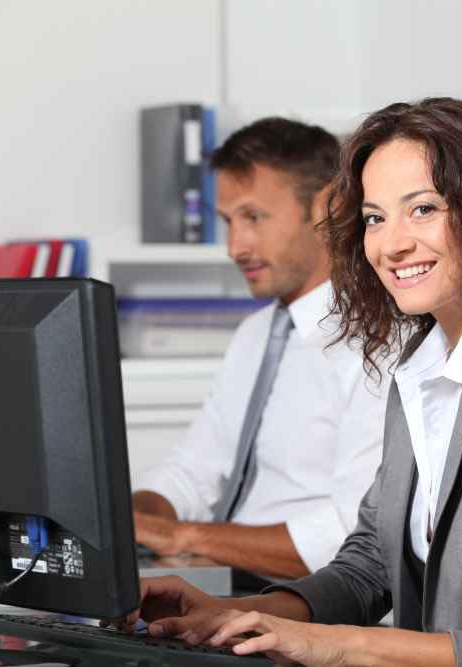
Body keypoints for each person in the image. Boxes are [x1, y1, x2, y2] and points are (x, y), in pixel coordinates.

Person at [119, 99, 462, 666]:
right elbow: (369, 565)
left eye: (422, 209)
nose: (392, 244)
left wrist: (332, 645)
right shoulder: (421, 368)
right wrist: (237, 614)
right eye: (375, 218)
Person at [131, 118, 387, 582]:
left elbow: (354, 531)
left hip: (306, 596)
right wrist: (131, 522)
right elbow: (194, 470)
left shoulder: (376, 341)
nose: (235, 247)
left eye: (253, 217)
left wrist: (185, 537)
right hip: (222, 580)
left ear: (328, 207)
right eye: (228, 222)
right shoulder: (255, 334)